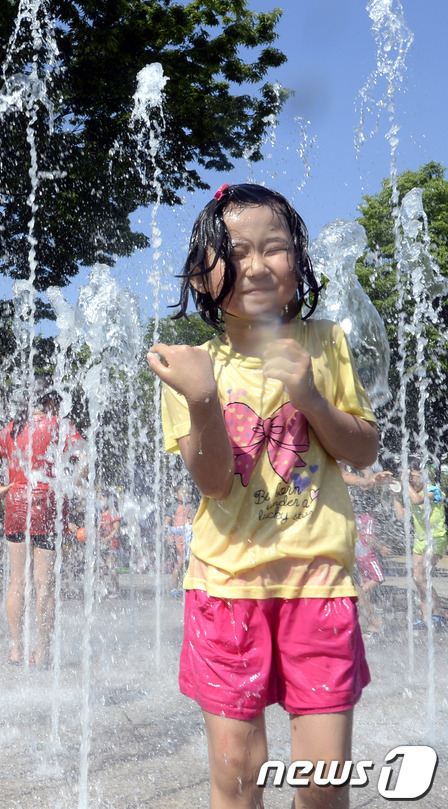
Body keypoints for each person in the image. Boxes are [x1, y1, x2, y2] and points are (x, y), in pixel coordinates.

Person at [147, 183, 378, 809]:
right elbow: (215, 482)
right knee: (237, 776)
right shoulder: (189, 364)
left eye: (274, 249)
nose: (256, 264)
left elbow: (362, 450)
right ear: (200, 275)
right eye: (236, 250)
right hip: (226, 588)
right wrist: (201, 400)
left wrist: (311, 400)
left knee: (323, 782)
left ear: (298, 261)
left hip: (319, 584)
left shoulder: (324, 342)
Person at [0, 381, 85, 666]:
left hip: (15, 504)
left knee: (17, 581)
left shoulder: (14, 427)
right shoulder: (57, 425)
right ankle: (44, 651)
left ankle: (15, 648)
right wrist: (70, 484)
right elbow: (86, 455)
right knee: (45, 585)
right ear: (49, 402)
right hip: (46, 505)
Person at [393, 457, 448, 629]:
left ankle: (438, 612)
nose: (410, 479)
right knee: (419, 580)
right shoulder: (410, 495)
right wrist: (395, 494)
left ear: (422, 474)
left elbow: (418, 500)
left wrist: (404, 482)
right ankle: (426, 618)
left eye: (412, 475)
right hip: (420, 541)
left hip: (437, 539)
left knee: (419, 575)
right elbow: (401, 516)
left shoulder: (434, 491)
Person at [339, 465, 392, 635]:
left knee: (353, 582)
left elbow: (346, 474)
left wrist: (368, 479)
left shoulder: (355, 517)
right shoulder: (367, 518)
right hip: (364, 552)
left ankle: (369, 618)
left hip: (352, 549)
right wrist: (381, 547)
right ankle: (364, 604)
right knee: (377, 578)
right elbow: (368, 537)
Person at [165, 486, 194, 597]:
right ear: (176, 495)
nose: (187, 495)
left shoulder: (191, 507)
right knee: (179, 564)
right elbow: (167, 521)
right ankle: (174, 587)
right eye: (184, 492)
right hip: (178, 539)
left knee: (186, 564)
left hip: (189, 538)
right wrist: (168, 535)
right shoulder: (174, 507)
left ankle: (182, 586)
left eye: (189, 493)